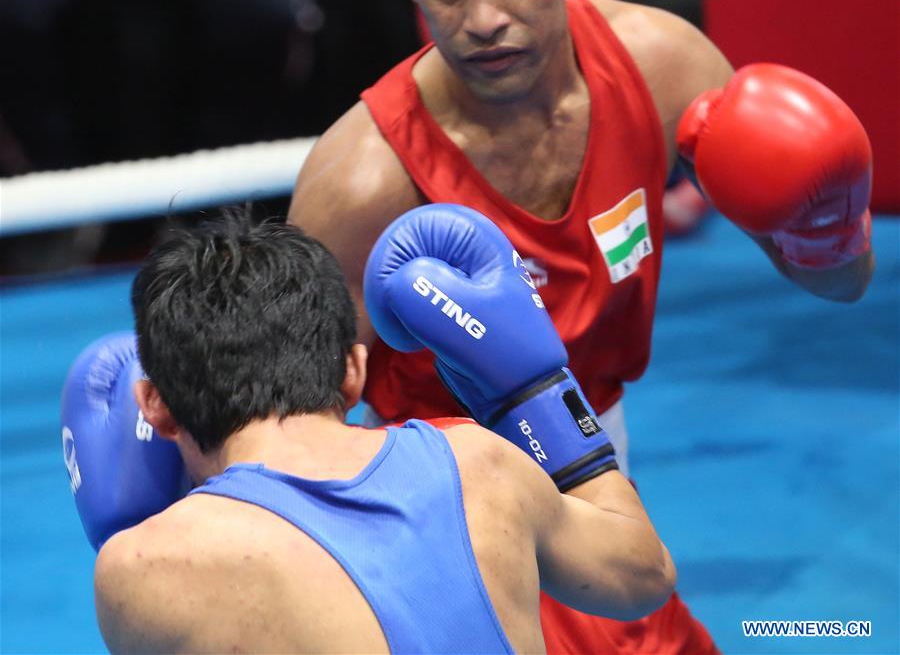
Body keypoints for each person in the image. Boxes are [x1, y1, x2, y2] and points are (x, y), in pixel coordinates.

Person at [288, 0, 874, 654]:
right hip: (444, 491)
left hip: (597, 446)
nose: (482, 18)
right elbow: (298, 436)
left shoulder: (666, 67)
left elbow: (837, 281)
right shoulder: (361, 181)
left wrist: (825, 223)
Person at [62, 207, 675, 654]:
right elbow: (642, 577)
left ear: (154, 407)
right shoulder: (477, 462)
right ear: (354, 370)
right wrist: (535, 390)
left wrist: (141, 524)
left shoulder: (143, 562)